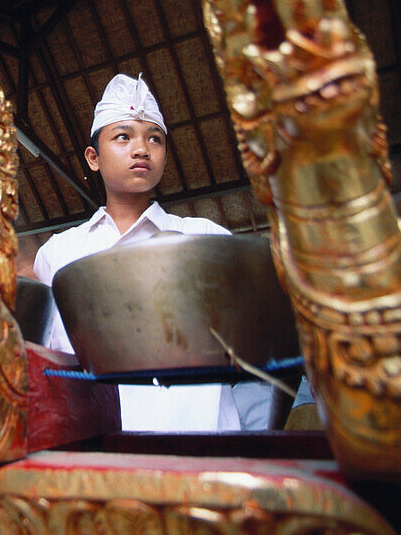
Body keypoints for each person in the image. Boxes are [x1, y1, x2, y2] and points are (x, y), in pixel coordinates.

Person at [29, 73, 247, 432]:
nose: (142, 148)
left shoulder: (206, 238)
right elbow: (56, 360)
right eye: (123, 136)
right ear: (93, 158)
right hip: (100, 446)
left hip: (203, 441)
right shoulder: (60, 252)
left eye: (155, 139)